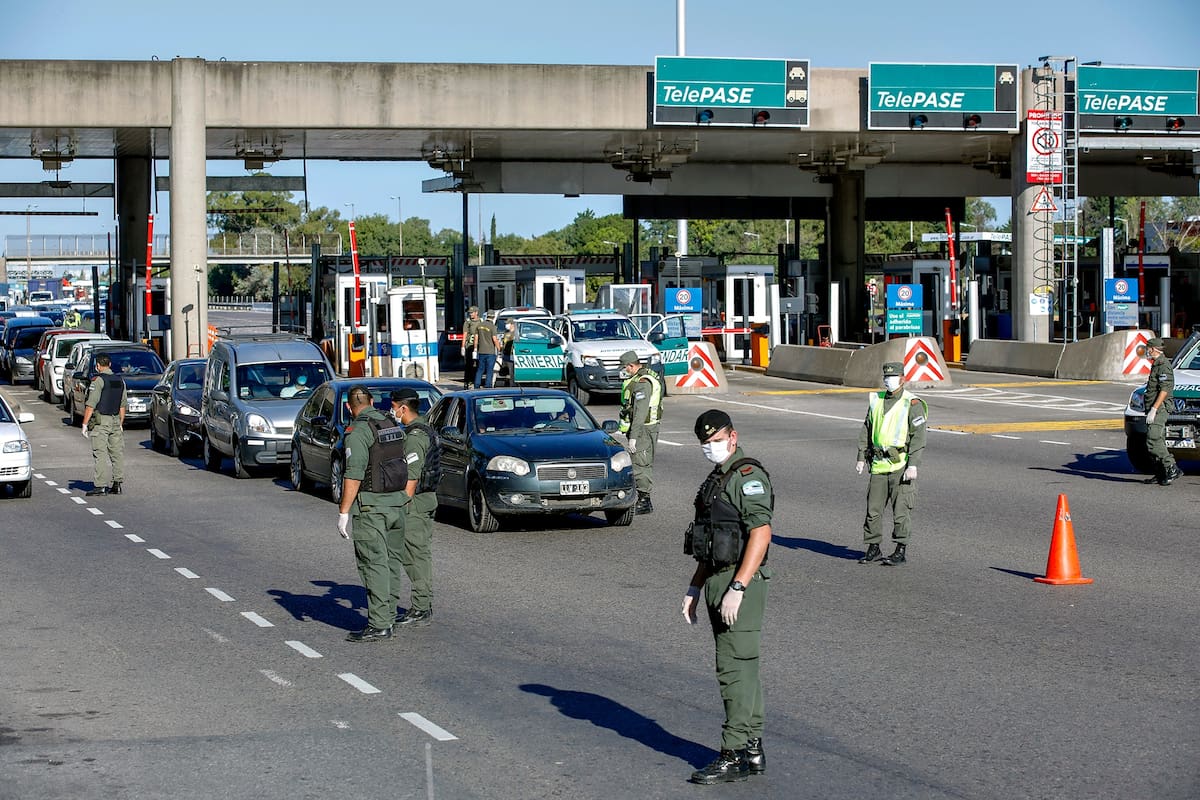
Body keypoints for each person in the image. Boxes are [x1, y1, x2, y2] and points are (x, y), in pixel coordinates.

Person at [682, 409, 774, 785]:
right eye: (705, 443)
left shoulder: (747, 477)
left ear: (733, 437)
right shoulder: (718, 479)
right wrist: (694, 586)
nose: (711, 447)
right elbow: (710, 538)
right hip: (718, 578)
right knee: (744, 668)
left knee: (732, 670)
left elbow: (761, 533)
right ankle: (752, 748)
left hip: (739, 582)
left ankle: (732, 752)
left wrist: (739, 587)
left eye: (717, 440)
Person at [337, 385, 410, 643]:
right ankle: (388, 614)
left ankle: (379, 623)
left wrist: (343, 511)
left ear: (349, 407)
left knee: (373, 563)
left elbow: (354, 474)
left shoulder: (357, 432)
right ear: (370, 400)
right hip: (397, 504)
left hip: (372, 507)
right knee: (391, 562)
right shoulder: (390, 423)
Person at [856, 361, 927, 566]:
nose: (889, 380)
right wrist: (861, 456)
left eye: (893, 376)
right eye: (886, 377)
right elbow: (867, 429)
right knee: (873, 510)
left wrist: (913, 464)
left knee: (901, 510)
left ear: (903, 378)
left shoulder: (912, 403)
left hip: (900, 465)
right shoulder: (876, 400)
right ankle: (873, 547)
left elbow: (919, 436)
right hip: (878, 465)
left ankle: (900, 549)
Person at [389, 388, 440, 628]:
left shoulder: (415, 436)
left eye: (394, 406)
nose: (393, 411)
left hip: (416, 504)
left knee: (415, 556)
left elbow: (412, 476)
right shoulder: (421, 428)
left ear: (403, 408)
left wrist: (401, 506)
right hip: (423, 500)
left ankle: (421, 607)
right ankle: (422, 604)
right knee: (417, 554)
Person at [617, 350, 662, 514]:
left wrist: (633, 438)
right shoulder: (640, 377)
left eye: (624, 367)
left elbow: (640, 413)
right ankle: (643, 498)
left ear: (631, 366)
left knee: (640, 464)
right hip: (644, 428)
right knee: (641, 462)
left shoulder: (642, 382)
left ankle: (644, 500)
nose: (623, 370)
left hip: (643, 429)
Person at [81, 352, 126, 497]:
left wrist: (84, 424)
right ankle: (117, 484)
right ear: (110, 365)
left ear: (98, 366)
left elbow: (91, 404)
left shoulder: (98, 381)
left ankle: (100, 486)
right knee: (116, 453)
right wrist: (120, 422)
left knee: (100, 453)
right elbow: (122, 405)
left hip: (101, 421)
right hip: (115, 419)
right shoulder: (120, 380)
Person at [1142, 337, 1181, 486]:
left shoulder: (1163, 365)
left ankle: (1172, 468)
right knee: (1158, 439)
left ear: (1153, 349)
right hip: (1154, 406)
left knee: (1153, 438)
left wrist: (1154, 409)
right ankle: (1160, 472)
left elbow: (1165, 389)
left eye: (1148, 349)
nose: (1147, 351)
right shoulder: (1157, 364)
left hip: (1160, 407)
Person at [472, 313, 502, 389]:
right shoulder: (493, 327)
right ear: (493, 317)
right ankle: (488, 386)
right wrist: (499, 349)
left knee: (480, 369)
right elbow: (495, 340)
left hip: (481, 351)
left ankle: (476, 385)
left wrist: (475, 349)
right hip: (490, 352)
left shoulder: (479, 325)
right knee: (489, 370)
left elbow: (475, 339)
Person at [461, 306, 482, 389]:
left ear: (476, 312)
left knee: (478, 365)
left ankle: (476, 382)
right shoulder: (468, 322)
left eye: (472, 312)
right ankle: (467, 382)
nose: (470, 314)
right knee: (468, 365)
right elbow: (465, 335)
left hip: (479, 346)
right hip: (470, 346)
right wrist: (462, 347)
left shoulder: (481, 321)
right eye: (469, 313)